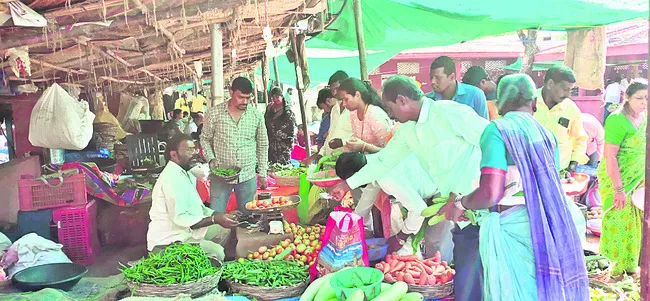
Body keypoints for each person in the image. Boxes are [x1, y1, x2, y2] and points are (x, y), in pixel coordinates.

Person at [330, 75, 488, 301]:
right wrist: (347, 184)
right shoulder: (406, 132)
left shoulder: (450, 113)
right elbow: (384, 162)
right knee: (464, 262)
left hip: (479, 199)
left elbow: (490, 141)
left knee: (479, 265)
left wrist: (462, 189)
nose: (390, 114)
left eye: (389, 107)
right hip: (453, 206)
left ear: (403, 100)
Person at [438, 73, 589, 300]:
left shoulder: (497, 130)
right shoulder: (547, 135)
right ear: (534, 103)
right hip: (543, 228)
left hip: (510, 228)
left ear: (499, 105)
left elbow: (491, 193)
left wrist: (460, 202)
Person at [147, 134, 240, 261]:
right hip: (169, 240)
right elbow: (181, 219)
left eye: (194, 149)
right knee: (217, 253)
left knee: (223, 230)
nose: (194, 153)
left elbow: (199, 208)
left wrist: (222, 215)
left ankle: (203, 262)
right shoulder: (171, 179)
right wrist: (214, 219)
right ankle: (201, 265)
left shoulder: (185, 172)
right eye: (188, 150)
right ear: (174, 154)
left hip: (185, 231)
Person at [335, 152, 437, 255]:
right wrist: (355, 226)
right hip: (425, 189)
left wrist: (400, 238)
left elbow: (418, 209)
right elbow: (367, 198)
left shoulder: (386, 178)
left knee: (435, 243)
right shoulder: (371, 164)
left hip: (442, 190)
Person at [598, 79, 647, 275]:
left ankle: (629, 268)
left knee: (635, 225)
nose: (644, 102)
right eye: (640, 98)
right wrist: (618, 189)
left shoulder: (644, 118)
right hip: (618, 179)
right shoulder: (617, 120)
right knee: (617, 221)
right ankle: (609, 270)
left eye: (647, 98)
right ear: (626, 98)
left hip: (639, 181)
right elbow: (610, 156)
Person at [201, 77, 269, 214]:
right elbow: (205, 139)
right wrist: (211, 158)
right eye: (240, 97)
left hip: (247, 175)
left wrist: (262, 172)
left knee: (249, 217)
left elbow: (262, 144)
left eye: (248, 98)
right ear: (231, 91)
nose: (244, 101)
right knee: (216, 214)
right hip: (220, 175)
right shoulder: (214, 113)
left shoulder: (256, 115)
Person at [534, 66, 588, 172]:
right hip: (530, 171)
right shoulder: (528, 102)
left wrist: (573, 163)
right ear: (550, 84)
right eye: (565, 89)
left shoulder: (571, 109)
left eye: (570, 90)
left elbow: (580, 139)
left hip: (559, 172)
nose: (568, 95)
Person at [338, 78, 392, 154]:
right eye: (342, 100)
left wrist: (364, 146)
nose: (343, 104)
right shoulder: (353, 114)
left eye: (346, 99)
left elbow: (390, 151)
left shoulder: (375, 114)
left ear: (357, 95)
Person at [265, 87, 297, 165]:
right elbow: (265, 121)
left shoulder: (288, 110)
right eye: (273, 97)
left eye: (277, 97)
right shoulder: (269, 107)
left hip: (283, 143)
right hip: (271, 141)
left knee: (283, 164)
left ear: (282, 96)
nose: (275, 99)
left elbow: (291, 128)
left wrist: (280, 134)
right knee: (271, 163)